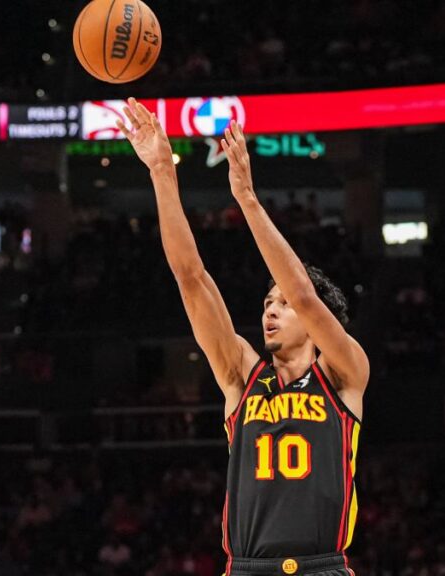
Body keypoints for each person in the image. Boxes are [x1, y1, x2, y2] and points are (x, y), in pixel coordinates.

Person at [117, 99, 368, 576]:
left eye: (282, 304)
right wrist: (161, 173)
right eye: (267, 302)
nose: (271, 309)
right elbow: (191, 278)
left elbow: (304, 294)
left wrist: (248, 200)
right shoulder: (241, 377)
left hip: (322, 567)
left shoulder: (344, 373)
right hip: (246, 568)